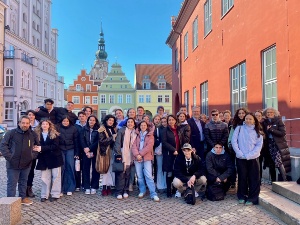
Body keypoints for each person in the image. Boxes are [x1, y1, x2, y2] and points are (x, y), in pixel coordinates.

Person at [0, 116, 40, 205]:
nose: (25, 125)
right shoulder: (11, 133)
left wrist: (32, 156)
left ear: (29, 124)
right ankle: (10, 201)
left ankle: (23, 198)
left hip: (27, 163)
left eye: (27, 123)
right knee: (12, 183)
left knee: (23, 182)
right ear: (19, 123)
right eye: (23, 123)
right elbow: (3, 145)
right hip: (13, 163)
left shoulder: (33, 134)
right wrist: (9, 157)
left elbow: (37, 147)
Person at [232, 113, 263, 205]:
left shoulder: (258, 130)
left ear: (254, 120)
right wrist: (240, 153)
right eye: (246, 119)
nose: (248, 120)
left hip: (253, 158)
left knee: (253, 178)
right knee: (242, 177)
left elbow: (258, 145)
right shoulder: (239, 128)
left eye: (250, 119)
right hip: (241, 157)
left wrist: (250, 155)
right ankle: (242, 195)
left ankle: (252, 197)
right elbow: (234, 141)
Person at [132, 121, 160, 202]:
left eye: (144, 125)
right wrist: (137, 155)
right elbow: (133, 146)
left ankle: (153, 193)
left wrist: (140, 154)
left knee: (148, 176)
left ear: (147, 126)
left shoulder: (150, 135)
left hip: (147, 157)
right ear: (139, 126)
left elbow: (149, 146)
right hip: (137, 158)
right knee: (139, 176)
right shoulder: (136, 134)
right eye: (142, 125)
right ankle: (142, 190)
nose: (143, 126)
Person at [35, 119, 62, 202]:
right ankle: (44, 195)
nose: (45, 125)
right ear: (41, 125)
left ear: (49, 125)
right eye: (43, 124)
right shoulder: (37, 135)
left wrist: (42, 148)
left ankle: (55, 194)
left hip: (54, 158)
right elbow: (35, 145)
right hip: (43, 158)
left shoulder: (55, 134)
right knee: (44, 178)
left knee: (56, 177)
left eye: (46, 124)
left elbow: (55, 146)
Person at [262, 107, 291, 181]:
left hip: (278, 144)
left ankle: (284, 179)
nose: (269, 114)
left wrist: (271, 129)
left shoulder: (279, 121)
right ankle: (274, 180)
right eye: (268, 112)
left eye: (271, 112)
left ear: (274, 113)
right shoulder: (265, 122)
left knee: (278, 161)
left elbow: (282, 133)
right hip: (269, 144)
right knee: (272, 162)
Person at [113, 118, 138, 199]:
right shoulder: (122, 130)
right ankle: (119, 192)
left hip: (131, 155)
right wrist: (118, 154)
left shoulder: (136, 132)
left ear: (134, 124)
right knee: (120, 173)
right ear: (126, 123)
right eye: (128, 122)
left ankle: (125, 190)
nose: (130, 123)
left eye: (132, 122)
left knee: (128, 174)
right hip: (122, 154)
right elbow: (117, 143)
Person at [161, 115, 184, 197]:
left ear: (175, 120)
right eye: (169, 120)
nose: (171, 121)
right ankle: (168, 190)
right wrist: (173, 149)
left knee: (176, 171)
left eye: (172, 120)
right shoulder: (165, 130)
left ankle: (175, 188)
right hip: (169, 154)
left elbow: (181, 140)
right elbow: (164, 142)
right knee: (169, 172)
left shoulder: (179, 129)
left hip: (178, 154)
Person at [58, 116, 79, 196]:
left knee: (70, 168)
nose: (65, 122)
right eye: (64, 121)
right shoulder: (58, 128)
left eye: (67, 121)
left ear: (69, 121)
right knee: (62, 168)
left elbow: (76, 141)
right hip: (61, 149)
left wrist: (77, 153)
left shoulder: (73, 129)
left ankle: (70, 188)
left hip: (71, 149)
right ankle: (61, 188)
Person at [80, 115, 100, 194]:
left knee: (95, 169)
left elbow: (98, 141)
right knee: (85, 169)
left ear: (95, 121)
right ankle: (86, 186)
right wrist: (85, 149)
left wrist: (90, 148)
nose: (91, 121)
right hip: (85, 152)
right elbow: (81, 140)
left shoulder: (98, 130)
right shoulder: (83, 129)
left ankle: (94, 186)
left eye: (93, 120)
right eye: (90, 120)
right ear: (88, 121)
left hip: (95, 151)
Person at [98, 115, 117, 196]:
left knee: (111, 169)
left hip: (113, 151)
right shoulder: (102, 129)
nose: (111, 122)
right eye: (109, 120)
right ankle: (104, 187)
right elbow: (101, 141)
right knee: (106, 170)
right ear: (106, 120)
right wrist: (111, 138)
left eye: (112, 121)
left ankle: (109, 186)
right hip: (105, 152)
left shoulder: (113, 129)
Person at [255, 110, 275, 183]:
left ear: (261, 117)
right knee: (258, 164)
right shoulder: (253, 125)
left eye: (259, 116)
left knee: (271, 163)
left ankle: (274, 180)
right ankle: (259, 181)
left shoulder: (265, 123)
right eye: (256, 116)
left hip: (266, 146)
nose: (257, 117)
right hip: (257, 148)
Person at [25, 110, 40, 198]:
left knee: (31, 171)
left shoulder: (38, 126)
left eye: (32, 115)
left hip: (33, 152)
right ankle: (23, 189)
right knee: (23, 172)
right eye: (29, 115)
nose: (31, 116)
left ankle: (29, 188)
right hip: (24, 152)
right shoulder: (24, 125)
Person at [152, 114, 166, 191]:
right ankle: (160, 185)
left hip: (167, 151)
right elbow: (154, 139)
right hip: (159, 151)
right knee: (159, 168)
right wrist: (159, 144)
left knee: (165, 168)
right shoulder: (157, 129)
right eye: (162, 121)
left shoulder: (167, 128)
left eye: (165, 121)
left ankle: (166, 184)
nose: (163, 122)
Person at [74, 111, 87, 191]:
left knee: (85, 168)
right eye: (80, 116)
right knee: (77, 168)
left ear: (86, 117)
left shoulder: (88, 125)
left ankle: (85, 184)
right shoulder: (75, 126)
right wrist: (76, 152)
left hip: (86, 149)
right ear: (78, 117)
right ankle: (77, 184)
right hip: (78, 149)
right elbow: (75, 140)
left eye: (83, 116)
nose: (82, 117)